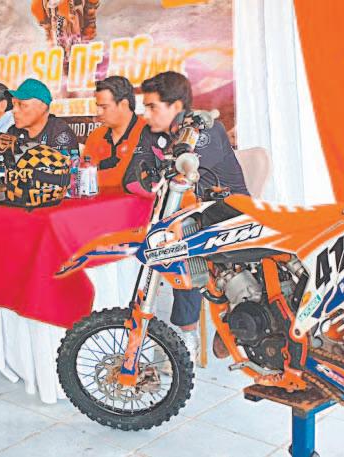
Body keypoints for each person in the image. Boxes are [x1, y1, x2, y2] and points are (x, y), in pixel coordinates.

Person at [125, 71, 248, 358]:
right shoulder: (151, 132)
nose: (145, 114)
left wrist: (154, 177)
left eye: (152, 107)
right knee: (172, 235)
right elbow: (132, 177)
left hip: (227, 213)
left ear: (177, 106)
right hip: (185, 212)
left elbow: (181, 174)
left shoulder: (206, 130)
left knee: (183, 245)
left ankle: (189, 335)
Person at [82, 76, 146, 190]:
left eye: (104, 107)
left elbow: (128, 176)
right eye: (98, 106)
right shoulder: (96, 135)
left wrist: (88, 178)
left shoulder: (148, 134)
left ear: (124, 105)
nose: (98, 112)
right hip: (97, 200)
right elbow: (83, 172)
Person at [5, 78, 77, 155]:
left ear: (43, 107)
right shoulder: (13, 132)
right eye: (14, 104)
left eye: (22, 105)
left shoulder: (58, 131)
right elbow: (0, 161)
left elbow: (65, 161)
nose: (14, 110)